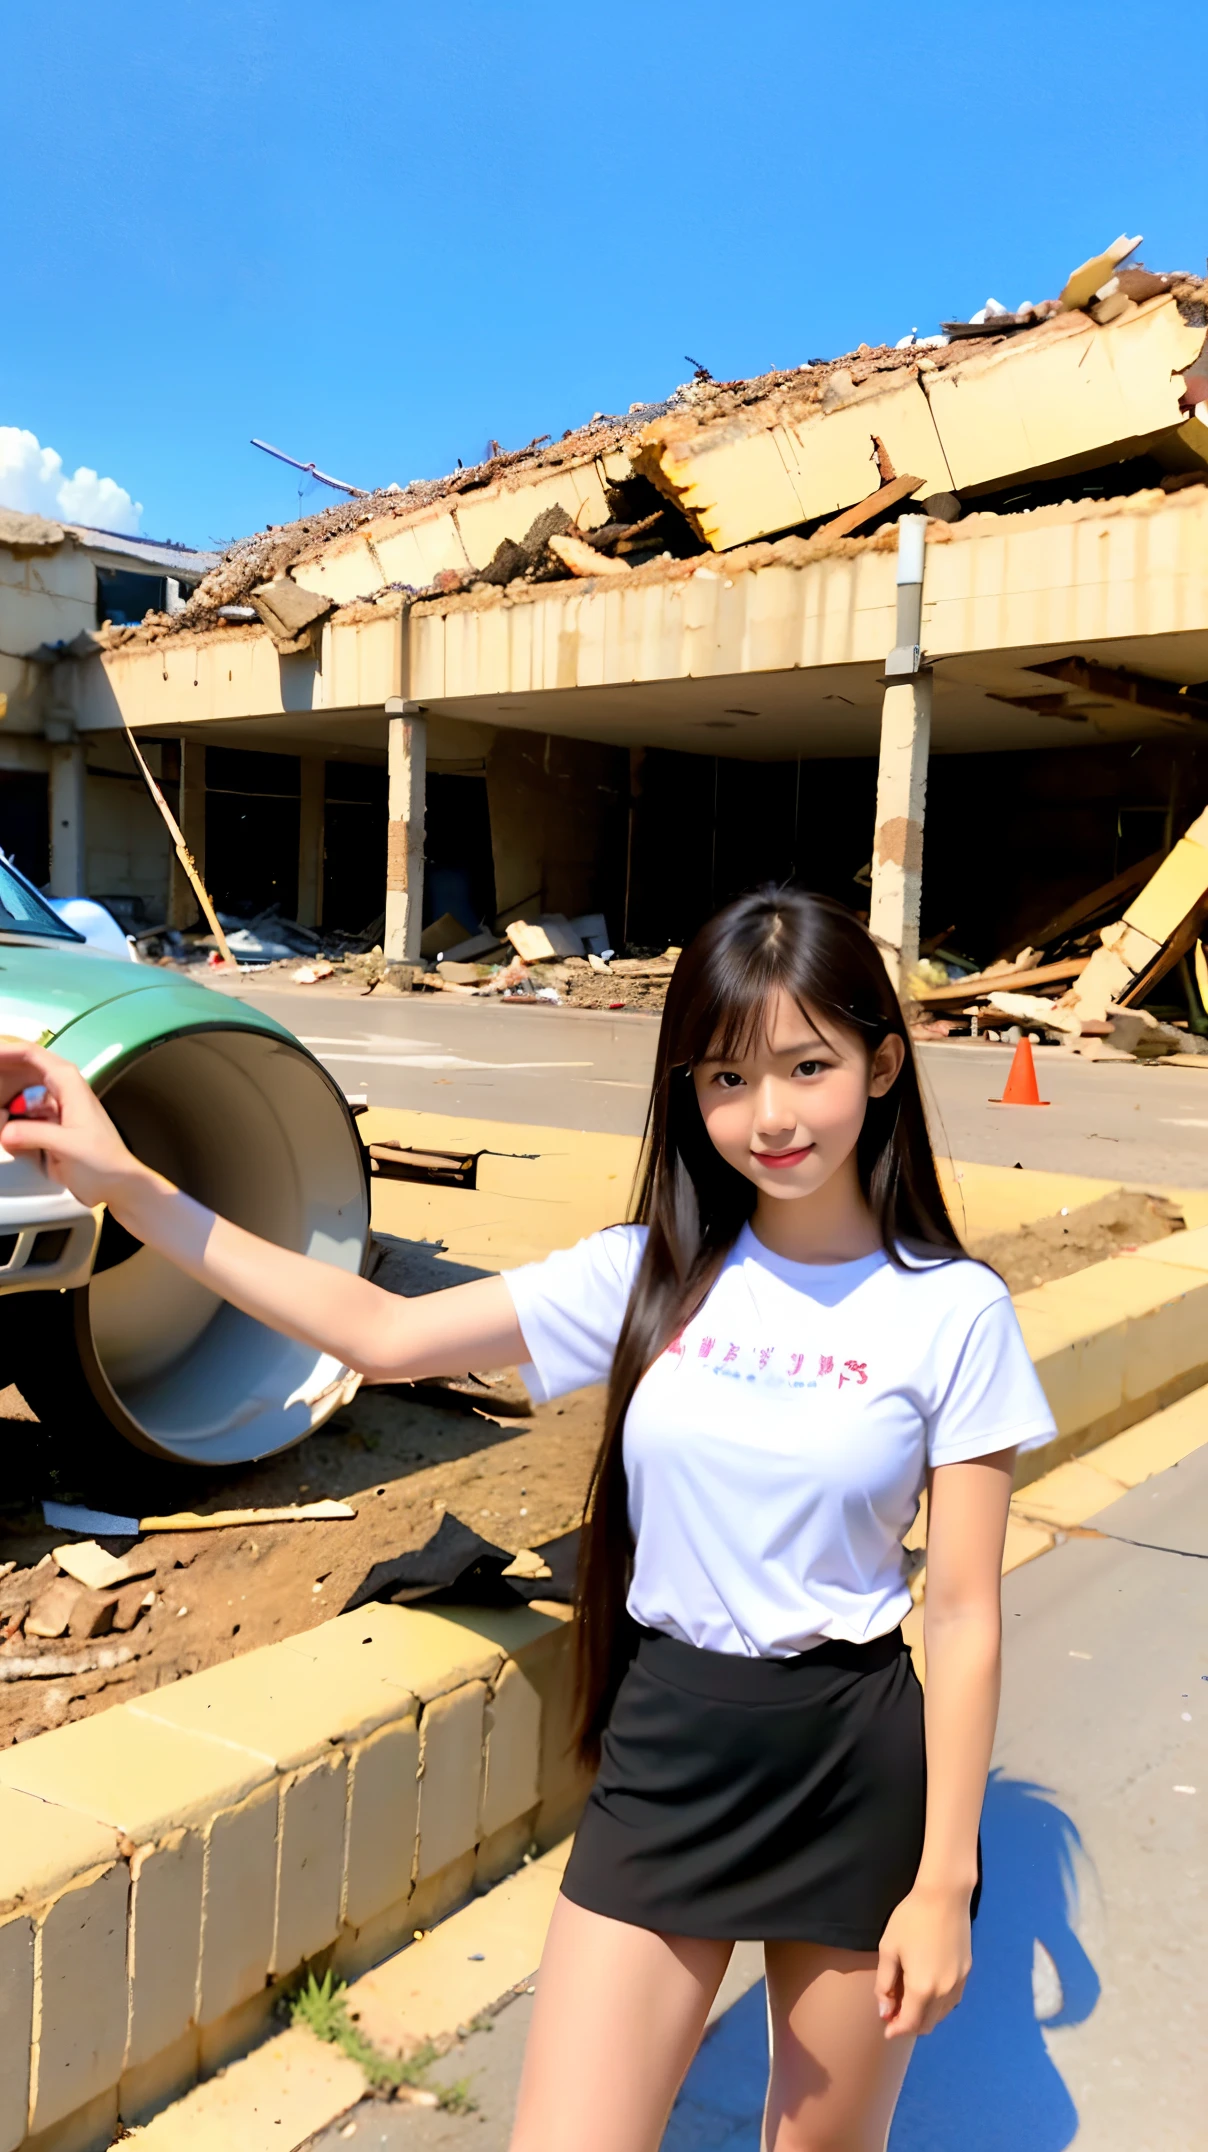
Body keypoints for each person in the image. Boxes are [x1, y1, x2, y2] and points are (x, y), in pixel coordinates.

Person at [1, 887, 1056, 2152]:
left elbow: (963, 1611)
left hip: (850, 1765)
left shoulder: (950, 1312)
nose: (767, 1114)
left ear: (881, 1066)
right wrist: (132, 1186)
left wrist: (944, 1879)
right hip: (668, 1750)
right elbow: (378, 1337)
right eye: (725, 1076)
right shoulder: (646, 1273)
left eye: (806, 1066)